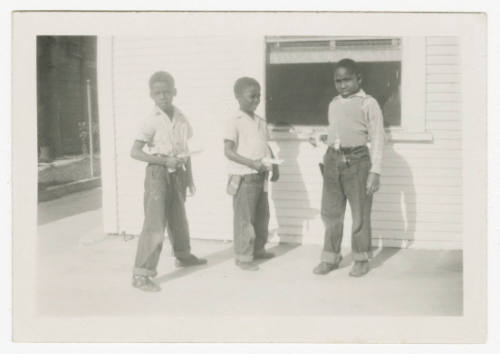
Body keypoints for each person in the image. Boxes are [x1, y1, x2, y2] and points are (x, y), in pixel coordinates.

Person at [130, 71, 207, 292]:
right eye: (157, 93)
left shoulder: (182, 118)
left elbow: (186, 150)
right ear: (151, 95)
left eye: (166, 92)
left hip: (178, 173)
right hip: (157, 174)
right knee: (155, 224)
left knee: (179, 218)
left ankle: (183, 256)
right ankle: (141, 274)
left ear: (175, 92)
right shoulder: (150, 121)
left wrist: (189, 177)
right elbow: (135, 152)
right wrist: (163, 162)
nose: (162, 96)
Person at [313, 59, 385, 277]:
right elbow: (337, 130)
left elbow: (378, 137)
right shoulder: (333, 103)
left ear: (358, 79)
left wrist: (375, 171)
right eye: (338, 81)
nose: (342, 85)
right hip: (333, 160)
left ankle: (361, 258)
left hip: (358, 162)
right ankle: (330, 257)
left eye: (347, 80)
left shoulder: (368, 103)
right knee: (331, 212)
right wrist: (323, 138)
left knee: (360, 213)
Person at [223, 77, 280, 271]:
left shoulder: (260, 121)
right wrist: (251, 164)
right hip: (244, 177)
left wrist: (275, 165)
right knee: (244, 218)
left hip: (261, 176)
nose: (256, 100)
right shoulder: (234, 121)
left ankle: (258, 249)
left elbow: (265, 146)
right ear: (238, 97)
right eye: (251, 96)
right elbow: (228, 151)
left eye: (259, 96)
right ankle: (243, 257)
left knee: (262, 214)